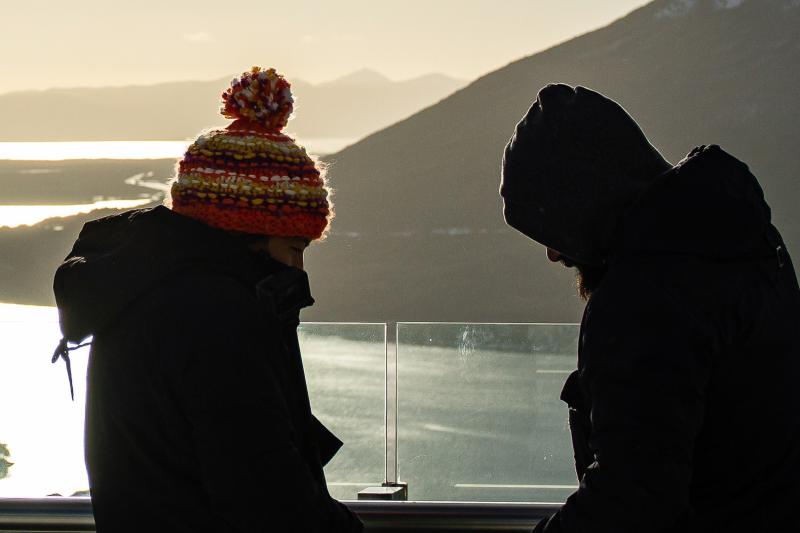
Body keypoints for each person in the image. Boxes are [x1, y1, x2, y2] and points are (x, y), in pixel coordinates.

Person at [52, 67, 363, 532]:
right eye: (295, 247)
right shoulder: (218, 315)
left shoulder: (143, 291)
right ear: (249, 234)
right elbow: (263, 489)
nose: (298, 268)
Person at [501, 84, 800, 532]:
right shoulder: (744, 239)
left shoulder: (642, 303)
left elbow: (631, 502)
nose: (553, 253)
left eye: (551, 227)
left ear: (583, 203)